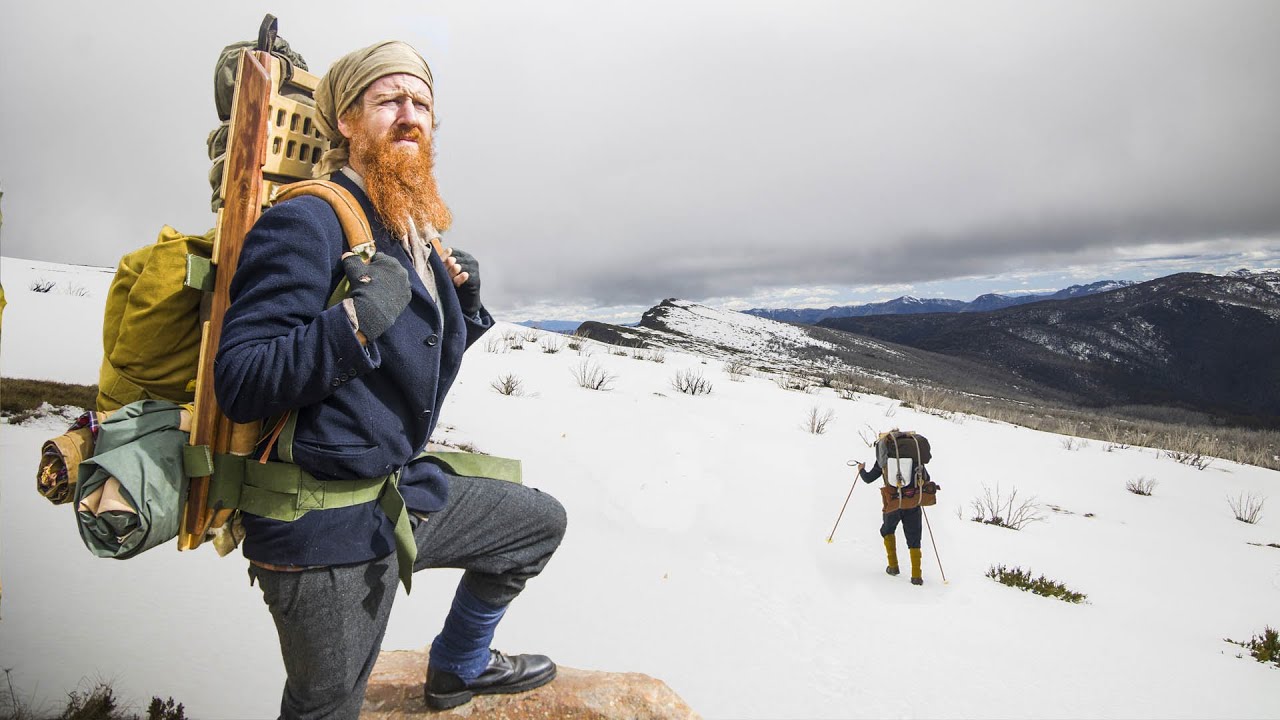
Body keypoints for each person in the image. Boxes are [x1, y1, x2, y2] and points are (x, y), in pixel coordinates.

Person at [214, 40, 567, 718]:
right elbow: (243, 378)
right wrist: (355, 321)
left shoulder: (406, 222)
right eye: (389, 100)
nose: (411, 115)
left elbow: (410, 373)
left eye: (423, 103)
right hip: (320, 527)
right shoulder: (309, 218)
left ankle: (459, 665)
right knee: (327, 704)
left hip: (393, 493)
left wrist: (460, 309)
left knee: (535, 525)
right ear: (345, 121)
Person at [856, 459, 926, 586]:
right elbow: (925, 477)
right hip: (912, 501)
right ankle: (916, 575)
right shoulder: (914, 454)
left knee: (887, 530)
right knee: (914, 537)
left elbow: (868, 478)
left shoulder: (884, 458)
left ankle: (893, 566)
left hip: (892, 501)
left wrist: (861, 470)